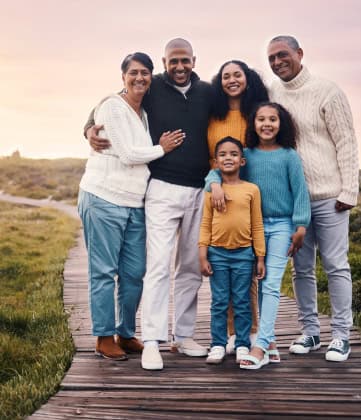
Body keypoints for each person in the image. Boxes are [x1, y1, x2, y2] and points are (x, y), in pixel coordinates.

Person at [85, 38, 212, 370]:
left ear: (194, 60)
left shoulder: (206, 92)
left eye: (185, 60)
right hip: (152, 191)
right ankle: (149, 339)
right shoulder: (152, 87)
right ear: (165, 63)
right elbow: (110, 105)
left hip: (193, 191)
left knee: (181, 269)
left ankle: (179, 337)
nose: (180, 67)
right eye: (174, 61)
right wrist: (88, 128)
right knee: (154, 267)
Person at [78, 52, 184, 361]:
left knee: (134, 272)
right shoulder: (112, 105)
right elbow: (126, 153)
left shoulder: (145, 111)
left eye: (145, 73)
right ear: (123, 76)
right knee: (103, 272)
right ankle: (103, 336)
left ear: (153, 76)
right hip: (103, 198)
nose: (140, 78)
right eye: (133, 73)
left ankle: (125, 333)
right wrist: (161, 149)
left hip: (135, 203)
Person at [267, 35, 359, 362]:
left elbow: (346, 142)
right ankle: (310, 333)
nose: (277, 63)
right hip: (294, 200)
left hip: (331, 197)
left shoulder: (328, 91)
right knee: (301, 269)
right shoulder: (272, 92)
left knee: (336, 265)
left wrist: (349, 190)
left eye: (283, 55)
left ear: (299, 54)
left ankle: (341, 335)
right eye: (272, 58)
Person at [207, 102, 311, 369]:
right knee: (257, 283)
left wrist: (301, 225)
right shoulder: (247, 155)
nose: (267, 124)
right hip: (252, 226)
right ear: (253, 124)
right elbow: (217, 170)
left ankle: (261, 344)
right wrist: (215, 184)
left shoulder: (289, 155)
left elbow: (299, 191)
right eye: (261, 119)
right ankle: (271, 341)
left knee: (271, 284)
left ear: (281, 123)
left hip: (281, 226)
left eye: (273, 119)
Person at [208, 60, 268, 354]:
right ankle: (230, 336)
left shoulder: (257, 111)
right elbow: (212, 158)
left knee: (248, 270)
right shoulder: (213, 112)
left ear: (248, 78)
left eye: (237, 75)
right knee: (223, 281)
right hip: (220, 191)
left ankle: (251, 332)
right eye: (226, 76)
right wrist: (214, 182)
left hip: (251, 192)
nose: (231, 80)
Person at [199, 137, 266, 365]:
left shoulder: (251, 190)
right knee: (219, 301)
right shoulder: (211, 191)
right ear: (216, 162)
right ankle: (218, 344)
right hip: (217, 254)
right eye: (223, 154)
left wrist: (260, 257)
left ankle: (242, 344)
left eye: (234, 154)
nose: (228, 158)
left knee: (241, 301)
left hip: (244, 255)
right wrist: (202, 254)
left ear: (243, 161)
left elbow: (257, 224)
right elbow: (205, 224)